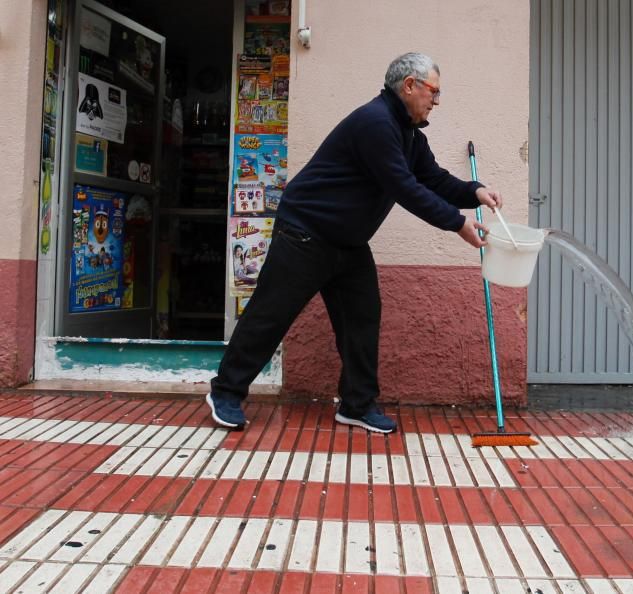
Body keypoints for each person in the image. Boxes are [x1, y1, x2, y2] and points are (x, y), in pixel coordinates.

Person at [206, 52, 502, 433]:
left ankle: (357, 405)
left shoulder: (409, 135)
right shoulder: (374, 123)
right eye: (434, 91)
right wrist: (458, 223)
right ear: (409, 85)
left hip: (347, 242)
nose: (436, 101)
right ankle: (226, 392)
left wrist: (475, 191)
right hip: (305, 232)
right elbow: (404, 188)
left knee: (361, 322)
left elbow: (434, 180)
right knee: (270, 315)